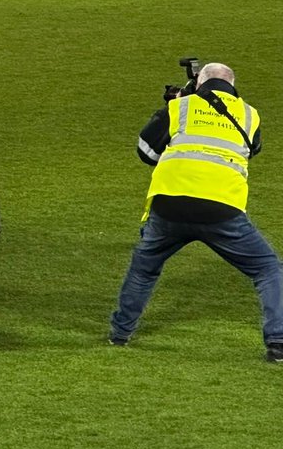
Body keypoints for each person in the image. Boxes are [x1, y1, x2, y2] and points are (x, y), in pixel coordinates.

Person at [110, 63, 283, 363]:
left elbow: (145, 152)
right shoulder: (249, 114)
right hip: (222, 210)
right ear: (232, 84)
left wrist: (170, 109)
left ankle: (119, 334)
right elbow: (251, 149)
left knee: (144, 268)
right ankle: (279, 343)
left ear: (199, 82)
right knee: (268, 269)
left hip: (170, 205)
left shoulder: (181, 107)